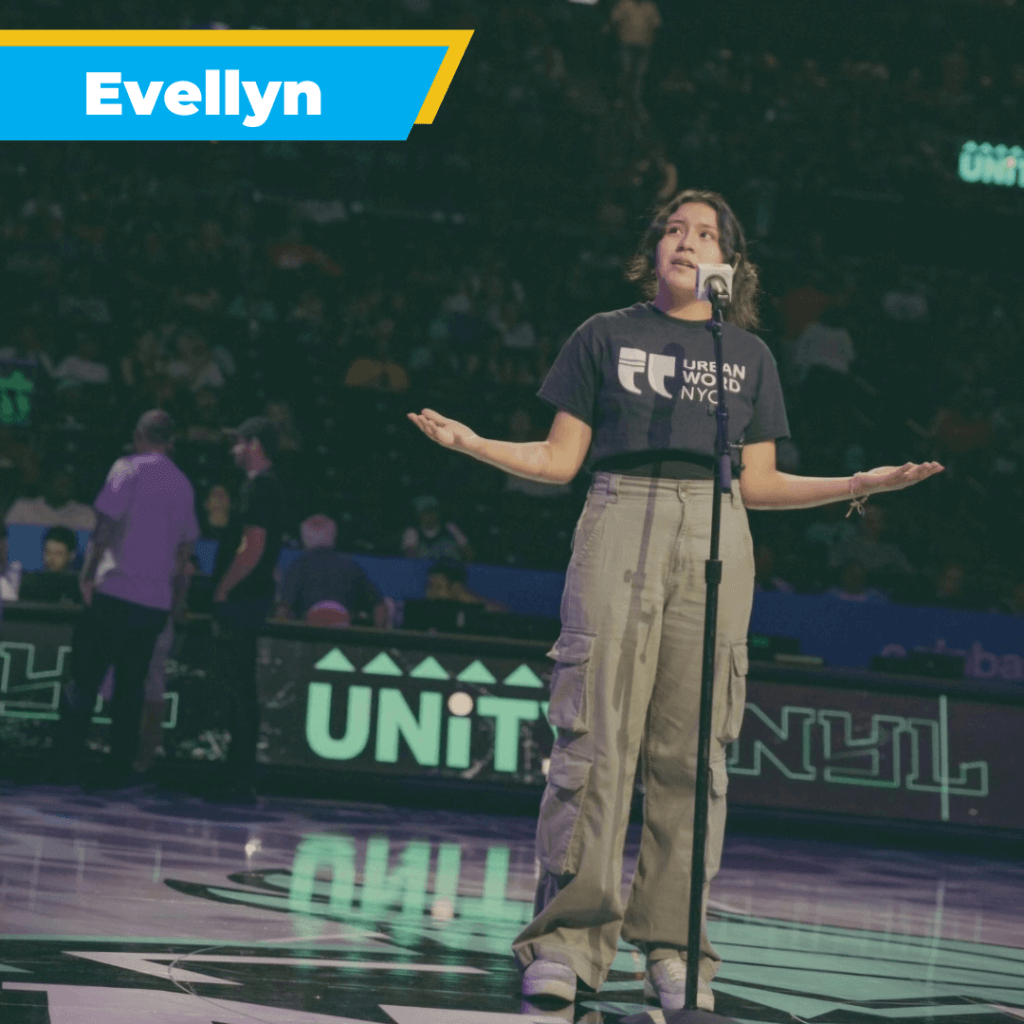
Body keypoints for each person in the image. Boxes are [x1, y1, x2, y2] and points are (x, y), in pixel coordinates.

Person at [408, 188, 943, 1013]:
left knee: (694, 754)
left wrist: (856, 484)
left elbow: (758, 482)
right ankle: (566, 941)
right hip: (621, 510)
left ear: (730, 264)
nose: (687, 242)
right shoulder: (603, 334)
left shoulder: (749, 355)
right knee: (595, 737)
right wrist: (474, 443)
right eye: (674, 229)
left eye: (706, 234)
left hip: (718, 528)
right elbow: (559, 460)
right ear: (653, 248)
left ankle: (675, 947)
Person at [55, 410, 198, 787]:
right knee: (131, 689)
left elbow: (105, 526)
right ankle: (119, 768)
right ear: (170, 441)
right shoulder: (183, 484)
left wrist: (88, 574)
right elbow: (185, 552)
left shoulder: (127, 469)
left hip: (116, 593)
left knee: (85, 680)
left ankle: (67, 764)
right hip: (153, 604)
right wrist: (176, 600)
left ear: (138, 436)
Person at [211, 416, 286, 802]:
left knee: (239, 689)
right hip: (250, 598)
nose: (233, 450)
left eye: (238, 442)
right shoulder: (265, 487)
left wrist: (223, 589)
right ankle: (237, 776)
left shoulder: (260, 487)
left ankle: (238, 780)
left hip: (242, 601)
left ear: (254, 444)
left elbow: (254, 545)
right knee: (239, 689)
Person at [274, 513, 386, 627]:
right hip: (343, 634)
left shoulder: (298, 566)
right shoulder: (351, 566)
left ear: (305, 537)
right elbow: (380, 607)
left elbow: (283, 609)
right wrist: (378, 635)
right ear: (333, 536)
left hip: (309, 633)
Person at [400, 495, 473, 561]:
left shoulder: (450, 528)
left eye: (432, 512)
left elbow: (468, 552)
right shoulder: (412, 531)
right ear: (418, 515)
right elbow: (410, 558)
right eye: (425, 513)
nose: (429, 516)